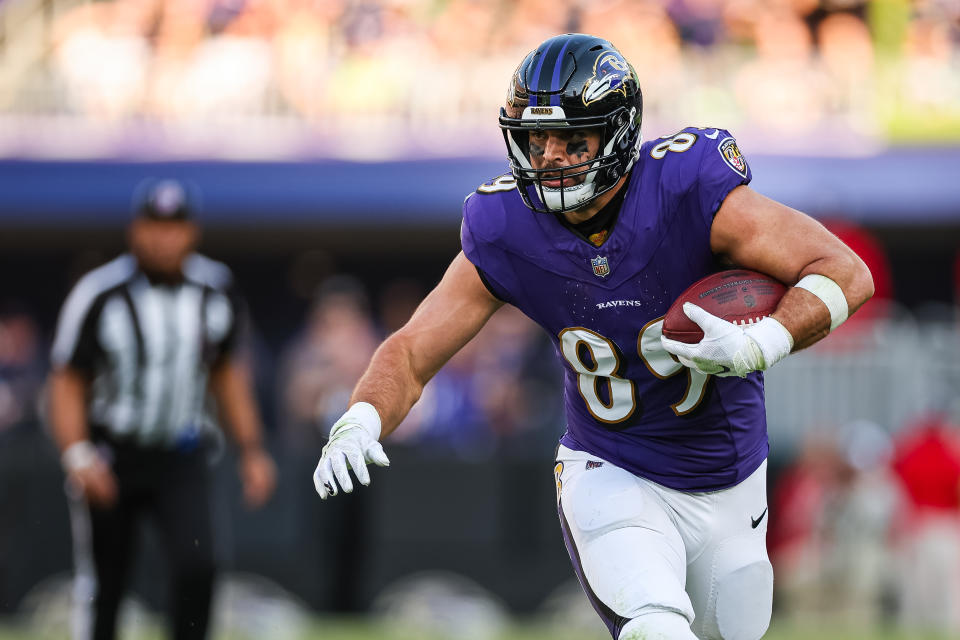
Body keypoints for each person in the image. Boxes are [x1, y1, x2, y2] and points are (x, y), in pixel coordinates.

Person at [312, 33, 873, 640]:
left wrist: (762, 342)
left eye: (571, 138)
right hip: (612, 468)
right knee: (655, 628)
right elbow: (413, 349)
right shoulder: (506, 225)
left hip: (731, 478)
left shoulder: (687, 189)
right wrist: (362, 416)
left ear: (619, 132)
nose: (549, 155)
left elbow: (845, 271)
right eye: (536, 138)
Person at [48, 179, 276, 640]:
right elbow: (68, 380)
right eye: (154, 226)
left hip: (180, 452)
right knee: (105, 584)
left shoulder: (215, 289)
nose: (163, 238)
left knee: (199, 565)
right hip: (113, 452)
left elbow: (227, 375)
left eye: (174, 227)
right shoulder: (100, 293)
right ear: (135, 230)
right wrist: (77, 454)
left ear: (191, 233)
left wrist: (251, 448)